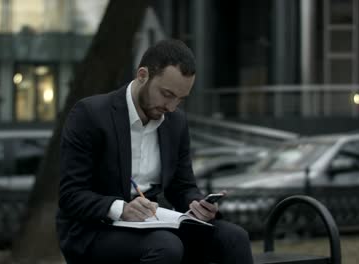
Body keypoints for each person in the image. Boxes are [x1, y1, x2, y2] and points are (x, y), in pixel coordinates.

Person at [56, 39, 253, 264]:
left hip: (152, 224)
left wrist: (197, 204)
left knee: (235, 238)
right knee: (166, 246)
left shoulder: (175, 121)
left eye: (180, 99)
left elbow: (182, 186)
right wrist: (121, 209)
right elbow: (71, 195)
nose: (171, 107)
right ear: (142, 75)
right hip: (95, 229)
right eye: (167, 94)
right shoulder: (90, 115)